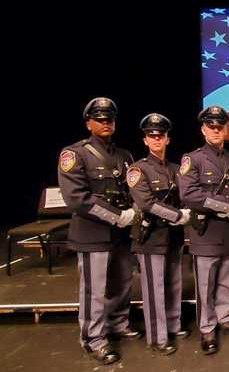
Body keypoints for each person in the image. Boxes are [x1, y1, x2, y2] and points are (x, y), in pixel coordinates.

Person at [57, 97, 142, 365]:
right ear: (88, 123)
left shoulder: (124, 156)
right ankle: (93, 338)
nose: (106, 123)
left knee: (122, 282)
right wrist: (119, 217)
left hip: (121, 235)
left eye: (110, 119)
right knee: (94, 289)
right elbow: (77, 199)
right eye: (100, 119)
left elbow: (132, 191)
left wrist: (136, 213)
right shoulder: (74, 154)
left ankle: (117, 323)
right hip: (92, 233)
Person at [178, 106, 229, 355]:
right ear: (203, 129)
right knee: (205, 285)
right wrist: (222, 205)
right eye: (211, 126)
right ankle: (207, 328)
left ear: (226, 129)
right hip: (205, 232)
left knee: (227, 281)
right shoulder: (193, 159)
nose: (216, 130)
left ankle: (225, 316)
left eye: (220, 126)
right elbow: (188, 194)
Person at [126, 113, 191, 356]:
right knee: (153, 289)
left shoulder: (176, 169)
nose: (156, 139)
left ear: (168, 139)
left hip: (172, 237)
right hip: (150, 236)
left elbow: (186, 196)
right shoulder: (137, 169)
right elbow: (146, 203)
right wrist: (178, 216)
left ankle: (173, 325)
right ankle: (157, 337)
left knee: (174, 283)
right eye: (151, 136)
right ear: (145, 140)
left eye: (160, 135)